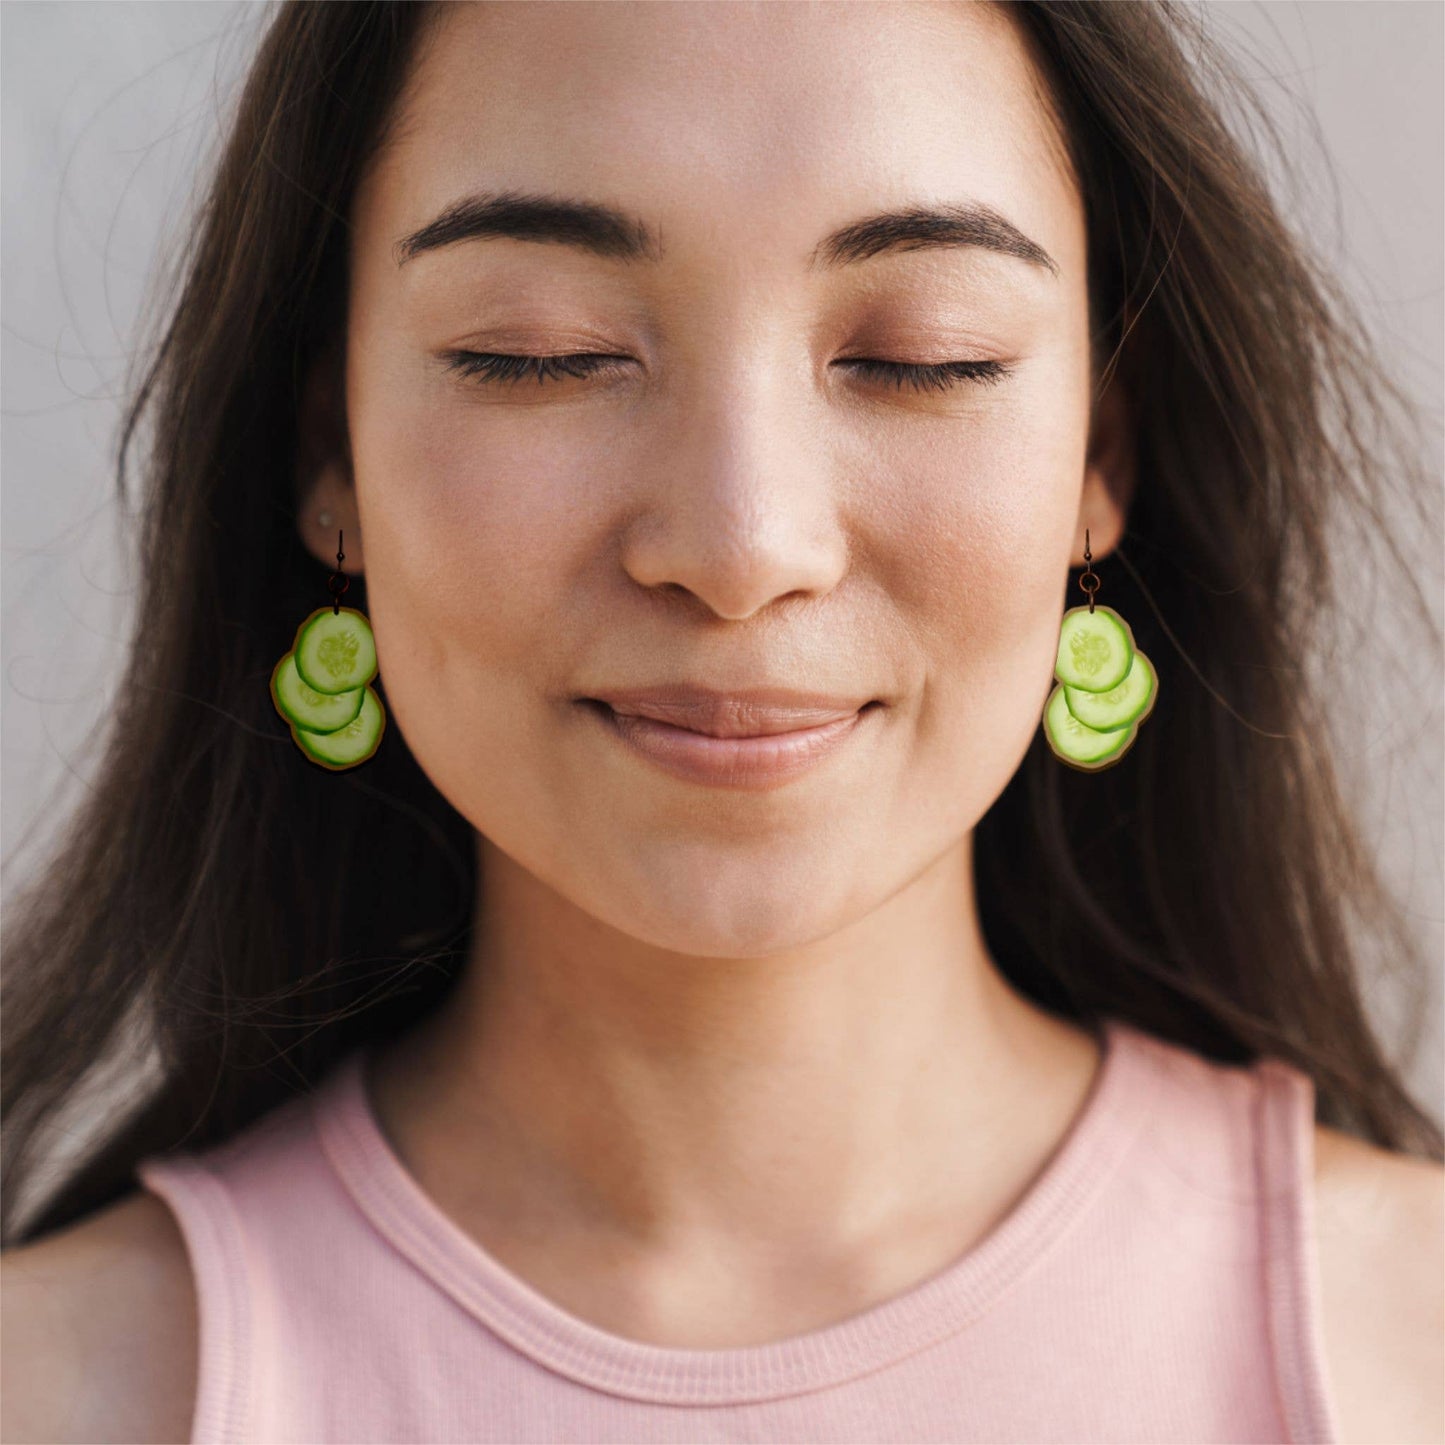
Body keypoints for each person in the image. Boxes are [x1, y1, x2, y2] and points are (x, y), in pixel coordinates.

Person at [3, 2, 1441, 1442]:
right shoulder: (64, 1381)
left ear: (1095, 456)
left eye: (919, 355)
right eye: (541, 350)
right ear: (334, 457)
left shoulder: (1408, 1339)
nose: (743, 542)